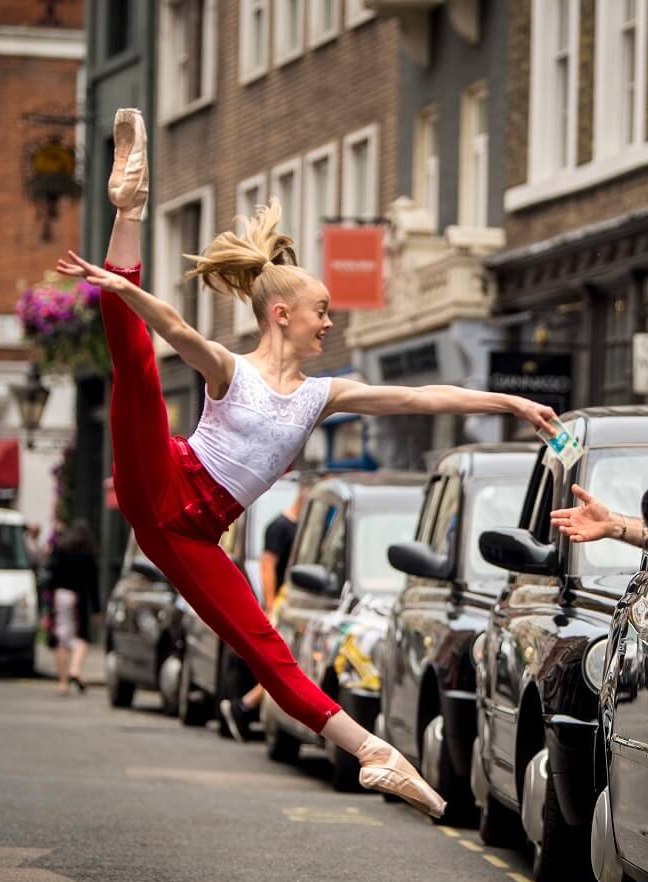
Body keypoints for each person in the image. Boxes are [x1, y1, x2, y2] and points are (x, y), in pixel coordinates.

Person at [52, 108, 555, 817]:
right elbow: (174, 330)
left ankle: (376, 755)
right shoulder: (230, 369)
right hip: (165, 478)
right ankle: (129, 204)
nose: (330, 321)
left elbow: (415, 396)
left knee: (266, 647)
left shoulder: (325, 395)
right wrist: (125, 288)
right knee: (134, 367)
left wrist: (507, 400)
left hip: (194, 535)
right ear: (281, 313)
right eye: (321, 309)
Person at [219, 490, 303, 742]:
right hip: (281, 604)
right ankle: (243, 707)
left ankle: (244, 706)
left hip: (288, 604)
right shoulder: (280, 526)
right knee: (283, 664)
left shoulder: (302, 526)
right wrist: (270, 604)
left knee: (286, 664)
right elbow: (267, 564)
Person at [48, 519, 100, 694]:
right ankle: (75, 670)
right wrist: (97, 609)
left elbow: (51, 575)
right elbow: (93, 584)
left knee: (60, 639)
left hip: (59, 595)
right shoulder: (88, 554)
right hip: (78, 598)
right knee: (81, 638)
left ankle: (62, 682)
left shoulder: (60, 549)